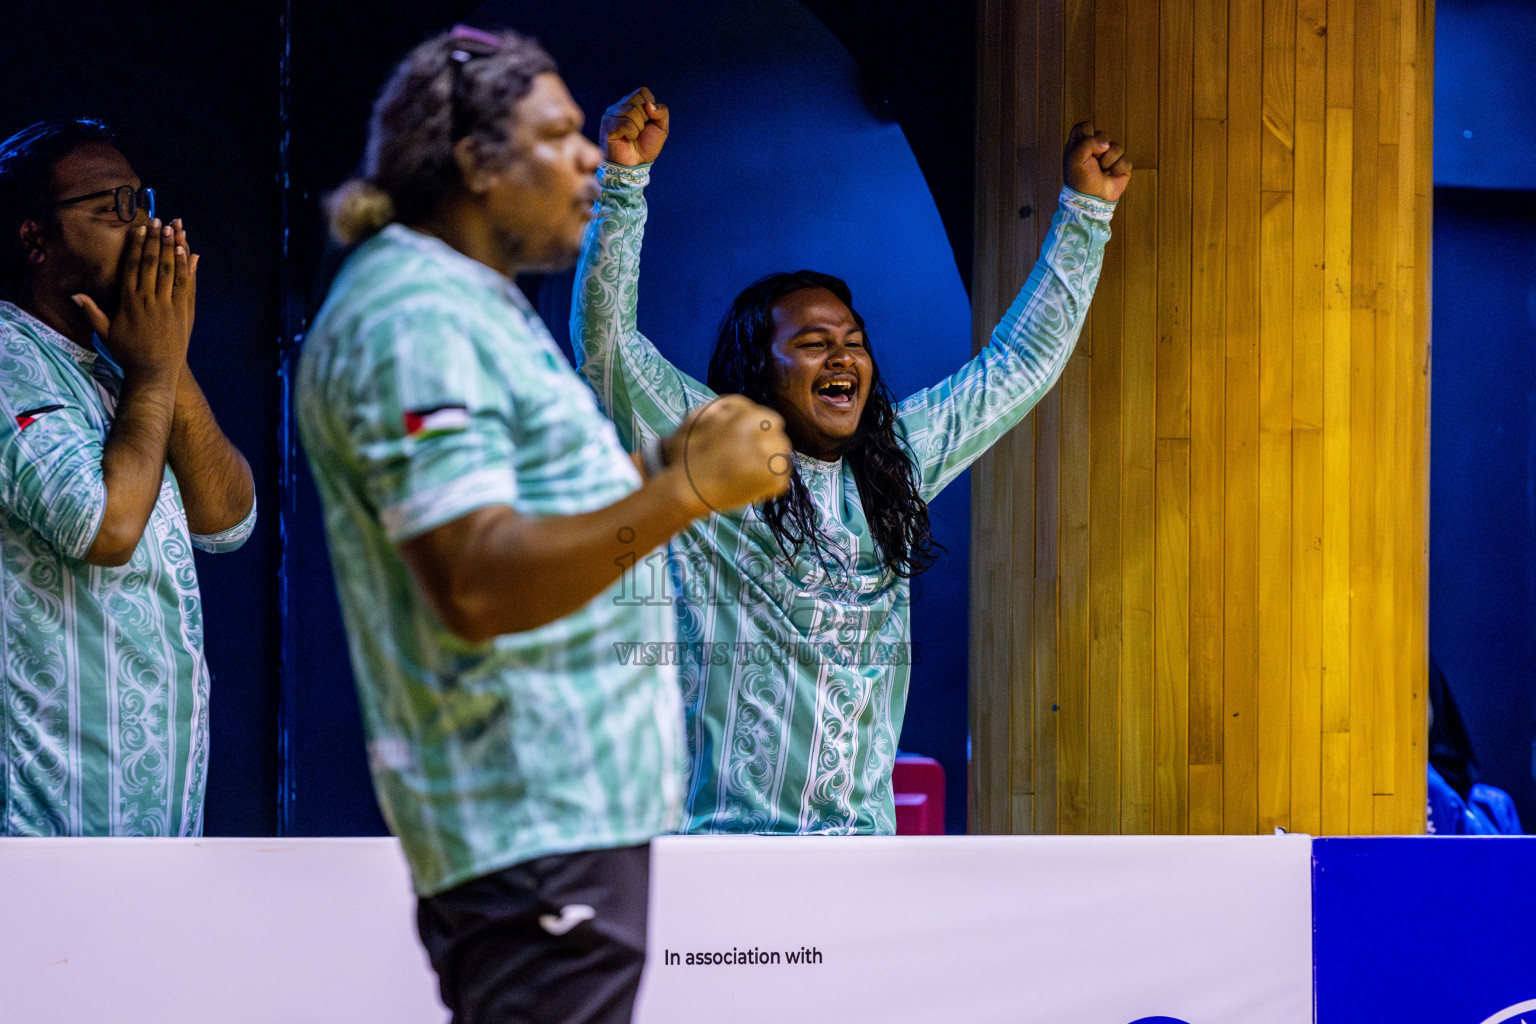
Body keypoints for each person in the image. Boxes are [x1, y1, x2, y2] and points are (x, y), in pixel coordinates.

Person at [295, 26, 790, 1024]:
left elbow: (530, 527)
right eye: (558, 135)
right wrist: (682, 490)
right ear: (474, 162)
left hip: (560, 823)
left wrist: (656, 471)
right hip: (529, 827)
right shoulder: (414, 314)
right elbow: (474, 577)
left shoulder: (470, 306)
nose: (588, 156)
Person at [572, 88, 1130, 835]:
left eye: (853, 340)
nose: (842, 355)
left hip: (864, 867)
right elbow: (608, 347)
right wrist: (623, 187)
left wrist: (1086, 217)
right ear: (758, 371)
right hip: (721, 859)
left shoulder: (894, 461)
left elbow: (1019, 365)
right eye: (811, 342)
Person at [0, 118, 256, 837]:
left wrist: (162, 360)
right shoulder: (8, 355)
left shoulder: (122, 369)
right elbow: (105, 528)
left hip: (153, 814)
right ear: (35, 238)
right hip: (48, 822)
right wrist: (153, 367)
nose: (143, 225)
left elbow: (229, 521)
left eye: (142, 200)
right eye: (111, 205)